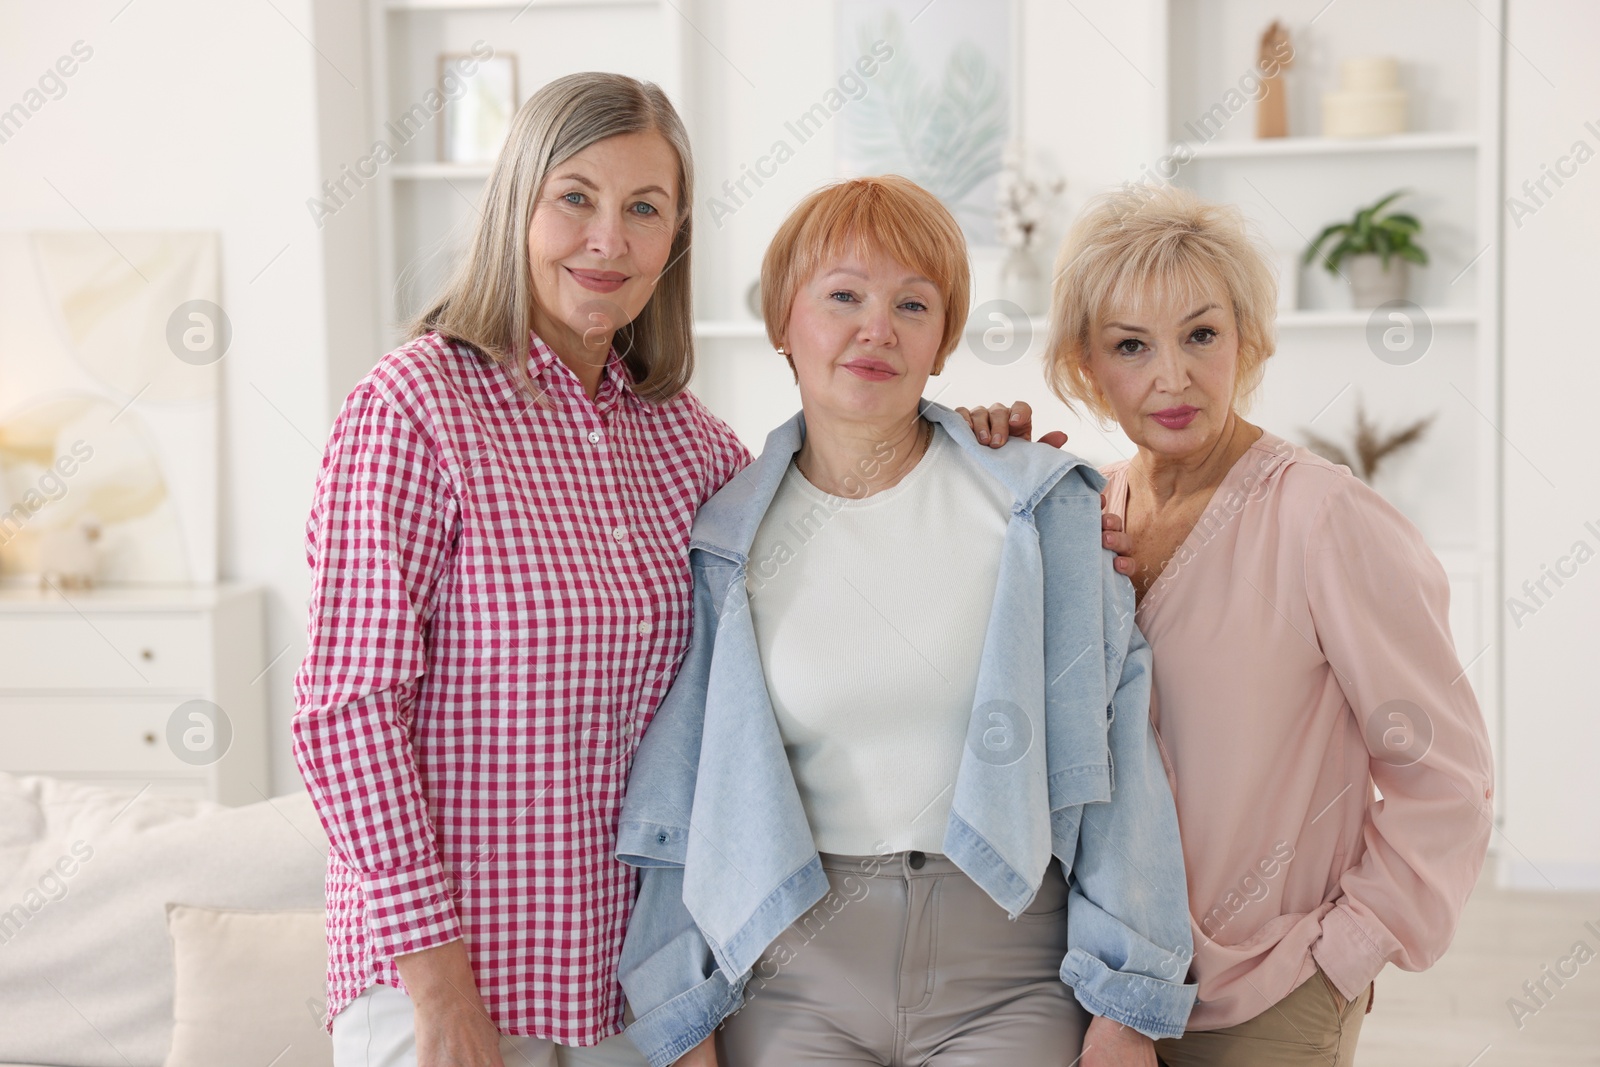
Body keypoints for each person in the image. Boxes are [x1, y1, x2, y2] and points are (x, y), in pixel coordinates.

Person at [614, 176, 1198, 1067]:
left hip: (1008, 970)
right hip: (794, 970)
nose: (876, 328)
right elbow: (687, 796)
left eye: (911, 303)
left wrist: (1126, 1009)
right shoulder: (724, 539)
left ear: (942, 338)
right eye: (843, 295)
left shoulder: (1041, 511)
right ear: (784, 321)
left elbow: (1118, 769)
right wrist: (683, 1019)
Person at [291, 72, 749, 1067]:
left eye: (643, 209)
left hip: (630, 992)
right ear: (518, 206)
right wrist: (443, 993)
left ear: (672, 240)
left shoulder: (689, 445)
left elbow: (841, 530)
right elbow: (348, 710)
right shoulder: (416, 405)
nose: (608, 238)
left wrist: (978, 450)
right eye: (575, 197)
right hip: (453, 996)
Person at [1031, 183, 1494, 1067]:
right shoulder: (1091, 514)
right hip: (1103, 988)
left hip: (1264, 995)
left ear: (1244, 339)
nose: (1173, 376)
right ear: (1087, 366)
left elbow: (1448, 773)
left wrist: (1343, 954)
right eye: (1132, 345)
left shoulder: (1324, 519)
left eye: (1201, 334)